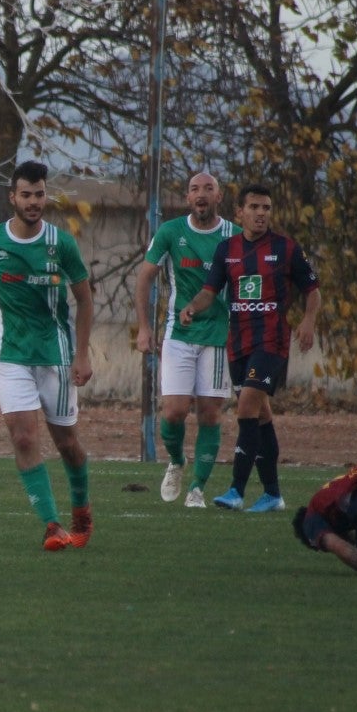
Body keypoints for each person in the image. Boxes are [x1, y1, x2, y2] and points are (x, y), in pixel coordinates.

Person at [0, 160, 94, 551]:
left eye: (40, 194)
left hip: (55, 355)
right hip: (10, 356)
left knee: (67, 444)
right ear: (12, 198)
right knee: (23, 438)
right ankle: (52, 525)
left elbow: (85, 299)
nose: (34, 201)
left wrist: (82, 354)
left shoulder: (61, 244)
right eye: (26, 194)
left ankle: (81, 513)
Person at [178, 182, 321, 513]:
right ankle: (272, 494)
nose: (261, 213)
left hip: (271, 342)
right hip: (238, 342)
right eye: (254, 207)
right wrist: (191, 307)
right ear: (239, 213)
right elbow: (209, 290)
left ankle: (236, 490)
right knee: (260, 416)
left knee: (246, 409)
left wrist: (309, 321)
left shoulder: (286, 248)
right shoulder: (227, 249)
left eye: (266, 208)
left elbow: (312, 289)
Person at [135, 172, 238, 508]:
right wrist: (144, 327)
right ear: (187, 198)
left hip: (217, 336)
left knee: (209, 413)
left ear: (219, 196)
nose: (201, 194)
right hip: (179, 333)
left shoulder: (234, 236)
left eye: (208, 188)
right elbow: (145, 277)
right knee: (174, 412)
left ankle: (197, 489)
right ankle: (177, 461)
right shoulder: (171, 232)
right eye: (195, 189)